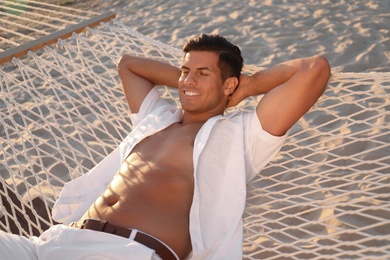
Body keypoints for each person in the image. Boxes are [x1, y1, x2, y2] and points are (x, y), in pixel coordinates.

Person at [0, 34, 330, 259]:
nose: (187, 79)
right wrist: (193, 81)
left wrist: (248, 87)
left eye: (203, 73)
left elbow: (314, 69)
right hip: (54, 242)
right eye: (184, 71)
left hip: (126, 251)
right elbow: (128, 64)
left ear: (229, 83)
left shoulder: (241, 136)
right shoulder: (156, 119)